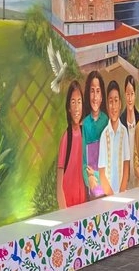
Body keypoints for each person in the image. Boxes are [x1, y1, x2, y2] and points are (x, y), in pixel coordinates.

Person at [56, 80, 88, 208]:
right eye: (73, 102)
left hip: (84, 207)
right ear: (69, 108)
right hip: (69, 209)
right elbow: (59, 186)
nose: (76, 107)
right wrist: (64, 214)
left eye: (79, 102)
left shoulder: (86, 133)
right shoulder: (66, 138)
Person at [96, 80, 131, 195]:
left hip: (123, 192)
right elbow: (101, 172)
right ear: (107, 105)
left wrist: (121, 193)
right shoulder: (103, 136)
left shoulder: (124, 132)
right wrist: (112, 197)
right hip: (109, 196)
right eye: (110, 101)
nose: (114, 106)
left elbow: (126, 164)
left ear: (120, 104)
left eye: (116, 101)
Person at [81, 70, 108, 198]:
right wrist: (90, 178)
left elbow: (110, 159)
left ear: (102, 96)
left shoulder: (106, 121)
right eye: (92, 91)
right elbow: (83, 160)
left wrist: (96, 175)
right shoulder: (85, 124)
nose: (95, 96)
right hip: (92, 188)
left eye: (98, 91)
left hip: (107, 185)